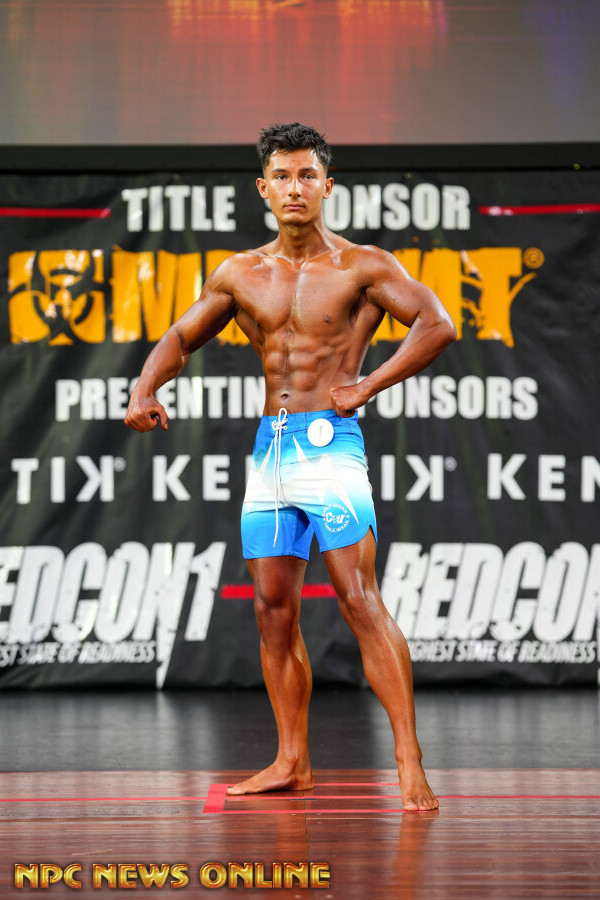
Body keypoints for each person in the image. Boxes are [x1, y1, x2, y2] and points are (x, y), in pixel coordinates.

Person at [125, 123, 456, 811]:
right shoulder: (240, 273)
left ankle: (409, 760)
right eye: (282, 176)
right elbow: (182, 334)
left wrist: (368, 385)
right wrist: (144, 386)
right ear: (263, 188)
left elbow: (437, 323)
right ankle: (291, 761)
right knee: (273, 610)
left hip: (330, 444)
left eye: (307, 175)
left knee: (358, 598)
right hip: (272, 450)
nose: (295, 188)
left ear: (328, 186)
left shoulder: (362, 266)